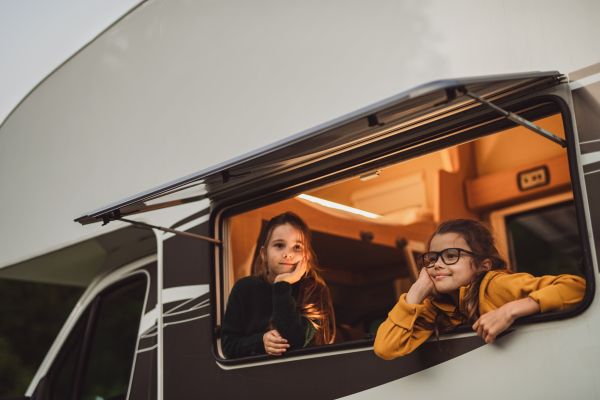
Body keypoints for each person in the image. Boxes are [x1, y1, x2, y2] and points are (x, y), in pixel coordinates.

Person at [374, 218, 586, 360]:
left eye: (450, 256)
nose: (437, 264)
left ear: (482, 266)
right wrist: (418, 289)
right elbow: (386, 348)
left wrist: (509, 311)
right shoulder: (435, 307)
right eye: (432, 257)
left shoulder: (494, 284)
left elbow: (577, 288)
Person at [221, 212, 336, 358]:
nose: (288, 254)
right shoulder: (244, 288)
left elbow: (294, 340)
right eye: (279, 245)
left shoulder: (314, 289)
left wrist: (282, 284)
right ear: (264, 254)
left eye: (297, 247)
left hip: (304, 374)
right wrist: (261, 340)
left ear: (306, 256)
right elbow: (228, 346)